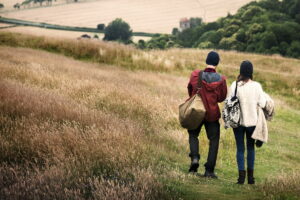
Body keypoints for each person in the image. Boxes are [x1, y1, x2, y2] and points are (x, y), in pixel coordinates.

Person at [187, 51, 227, 178]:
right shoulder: (221, 79)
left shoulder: (195, 75)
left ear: (206, 61)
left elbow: (190, 89)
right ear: (217, 63)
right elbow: (221, 97)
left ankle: (194, 158)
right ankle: (209, 171)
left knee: (193, 134)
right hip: (212, 114)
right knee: (214, 140)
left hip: (196, 111)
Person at [230, 60, 267, 184]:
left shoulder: (234, 85)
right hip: (252, 123)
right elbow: (262, 103)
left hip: (238, 122)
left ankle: (241, 178)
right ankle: (251, 179)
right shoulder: (257, 86)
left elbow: (228, 102)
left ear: (240, 71)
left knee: (240, 149)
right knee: (250, 148)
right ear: (251, 72)